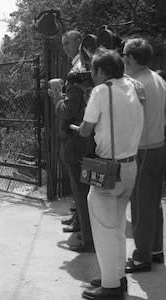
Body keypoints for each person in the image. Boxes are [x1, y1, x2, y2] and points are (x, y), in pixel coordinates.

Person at [75, 48, 144, 300]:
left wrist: (78, 126)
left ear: (102, 71)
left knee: (104, 229)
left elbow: (85, 130)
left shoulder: (101, 91)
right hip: (130, 166)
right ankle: (116, 277)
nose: (92, 75)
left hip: (108, 169)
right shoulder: (134, 87)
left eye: (93, 70)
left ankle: (111, 287)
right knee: (116, 227)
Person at [121, 38, 166, 273]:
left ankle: (141, 257)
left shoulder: (136, 83)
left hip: (143, 149)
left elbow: (129, 119)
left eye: (124, 54)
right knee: (152, 203)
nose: (122, 58)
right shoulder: (156, 78)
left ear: (131, 58)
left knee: (140, 206)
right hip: (157, 146)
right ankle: (156, 250)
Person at [50, 30, 94, 252]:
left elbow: (69, 110)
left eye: (69, 42)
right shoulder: (85, 66)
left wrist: (57, 97)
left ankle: (88, 238)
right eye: (63, 43)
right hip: (84, 137)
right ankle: (83, 228)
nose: (65, 46)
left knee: (81, 189)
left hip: (75, 138)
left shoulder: (78, 70)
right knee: (82, 190)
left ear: (80, 42)